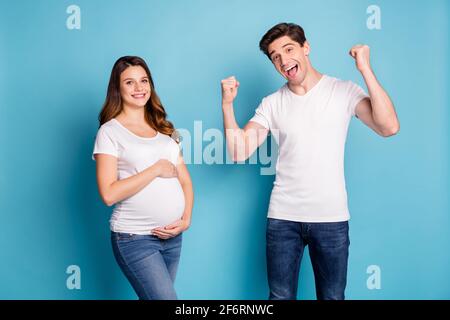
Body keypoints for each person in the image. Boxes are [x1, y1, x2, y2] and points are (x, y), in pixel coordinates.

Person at [220, 23, 399, 300]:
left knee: (332, 298)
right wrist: (227, 105)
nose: (283, 60)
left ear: (306, 48)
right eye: (275, 56)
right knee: (279, 297)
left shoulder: (343, 91)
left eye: (288, 49)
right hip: (283, 219)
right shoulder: (272, 103)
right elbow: (237, 152)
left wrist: (365, 69)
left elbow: (388, 127)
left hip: (331, 219)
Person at [92, 56, 193, 300]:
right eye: (129, 82)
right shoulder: (110, 132)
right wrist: (155, 169)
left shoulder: (164, 130)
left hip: (172, 238)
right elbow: (108, 194)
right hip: (134, 238)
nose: (139, 88)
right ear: (117, 89)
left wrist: (185, 220)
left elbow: (185, 181)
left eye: (144, 80)